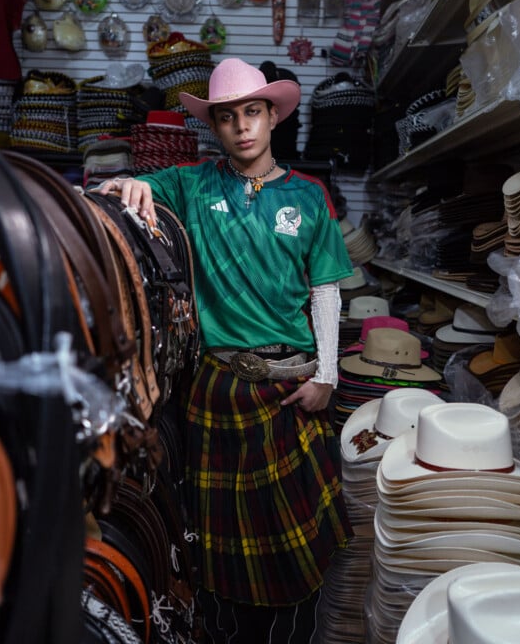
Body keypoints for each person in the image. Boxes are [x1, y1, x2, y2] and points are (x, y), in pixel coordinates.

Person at [99, 57, 354, 643]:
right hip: (216, 387)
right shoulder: (190, 183)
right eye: (227, 117)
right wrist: (132, 181)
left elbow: (326, 292)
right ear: (214, 127)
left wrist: (330, 377)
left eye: (252, 112)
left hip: (292, 384)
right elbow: (123, 191)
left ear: (272, 118)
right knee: (216, 548)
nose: (242, 126)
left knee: (295, 544)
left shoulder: (310, 196)